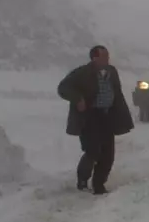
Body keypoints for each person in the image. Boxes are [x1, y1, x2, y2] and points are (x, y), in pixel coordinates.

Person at [57, 45, 134, 194]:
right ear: (94, 58)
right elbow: (63, 88)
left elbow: (117, 93)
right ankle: (82, 180)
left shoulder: (112, 72)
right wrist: (78, 99)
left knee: (108, 153)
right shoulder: (82, 73)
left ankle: (99, 185)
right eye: (104, 56)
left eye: (108, 56)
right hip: (89, 117)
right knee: (92, 151)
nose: (107, 59)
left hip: (107, 116)